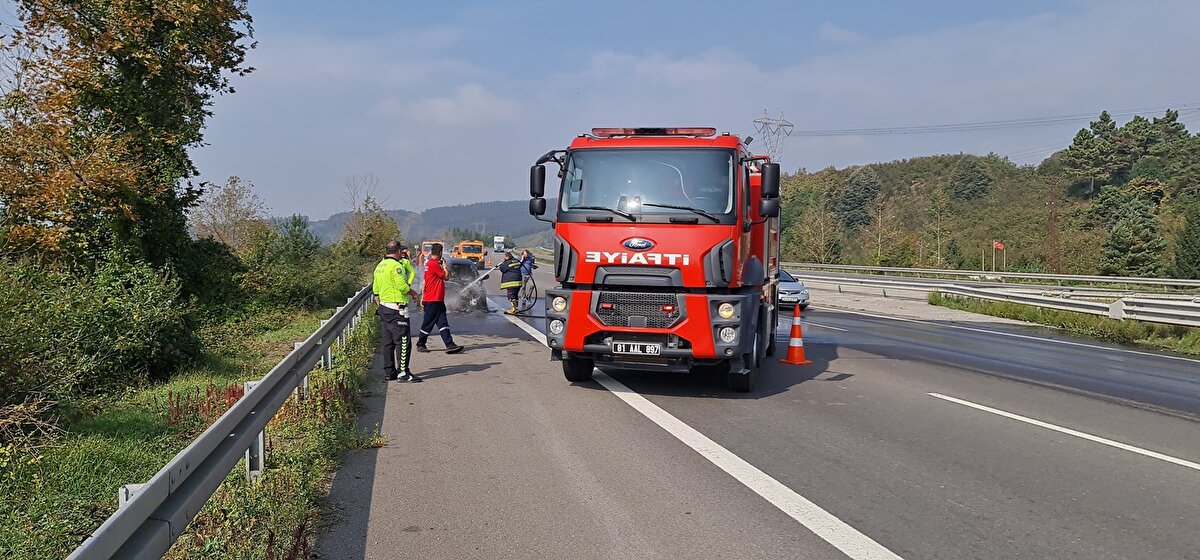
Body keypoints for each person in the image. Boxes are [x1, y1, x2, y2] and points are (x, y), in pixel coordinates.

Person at [373, 241, 422, 383]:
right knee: (403, 341)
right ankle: (403, 373)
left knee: (388, 342)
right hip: (396, 309)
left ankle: (390, 372)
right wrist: (414, 294)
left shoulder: (380, 266)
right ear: (399, 251)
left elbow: (376, 289)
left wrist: (380, 301)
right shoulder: (396, 266)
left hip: (384, 308)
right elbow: (402, 286)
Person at [416, 243, 465, 354]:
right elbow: (446, 277)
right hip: (433, 300)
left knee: (443, 322)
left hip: (436, 299)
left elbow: (425, 282)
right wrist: (444, 266)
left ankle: (450, 344)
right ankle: (420, 343)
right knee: (427, 323)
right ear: (440, 253)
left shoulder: (428, 264)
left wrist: (422, 296)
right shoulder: (434, 264)